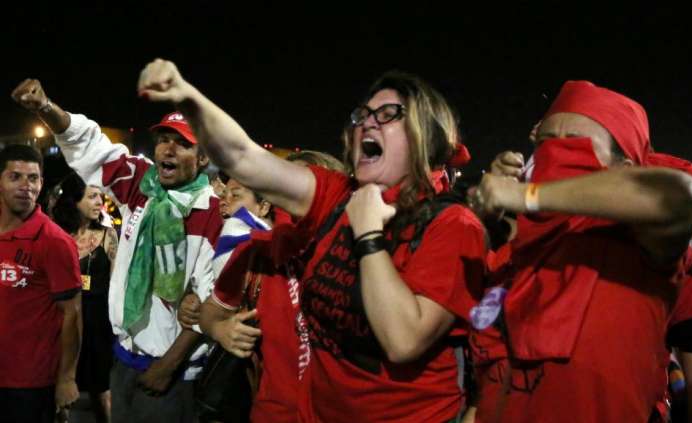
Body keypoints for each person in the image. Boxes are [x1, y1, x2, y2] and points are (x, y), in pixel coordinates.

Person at [138, 59, 485, 422]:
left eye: (388, 114)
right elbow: (244, 157)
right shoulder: (337, 196)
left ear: (425, 134)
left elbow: (403, 340)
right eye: (363, 115)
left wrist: (368, 236)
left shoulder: (454, 225)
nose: (367, 121)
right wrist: (188, 96)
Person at [471, 80, 692, 422]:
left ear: (624, 171)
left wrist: (527, 196)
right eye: (546, 143)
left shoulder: (634, 246)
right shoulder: (514, 254)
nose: (553, 155)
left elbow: (679, 196)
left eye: (574, 146)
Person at [12, 78, 223, 423]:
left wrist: (167, 368)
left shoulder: (212, 214)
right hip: (123, 359)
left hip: (171, 372)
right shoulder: (144, 185)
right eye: (163, 140)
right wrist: (45, 107)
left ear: (202, 157)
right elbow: (90, 145)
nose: (167, 150)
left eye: (181, 144)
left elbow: (210, 302)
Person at [179, 150, 346, 423]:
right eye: (281, 190)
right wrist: (221, 329)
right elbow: (211, 312)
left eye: (300, 190)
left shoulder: (356, 263)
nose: (289, 201)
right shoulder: (256, 253)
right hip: (271, 413)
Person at [0, 144, 82, 423]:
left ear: (42, 183)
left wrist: (67, 379)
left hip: (29, 385)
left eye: (33, 178)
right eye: (15, 177)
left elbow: (72, 313)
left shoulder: (55, 242)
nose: (26, 186)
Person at [51, 173, 118, 423]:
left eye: (100, 195)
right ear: (74, 201)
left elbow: (116, 284)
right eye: (91, 196)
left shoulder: (108, 236)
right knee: (63, 392)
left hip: (99, 324)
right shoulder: (57, 236)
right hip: (64, 323)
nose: (99, 201)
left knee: (103, 391)